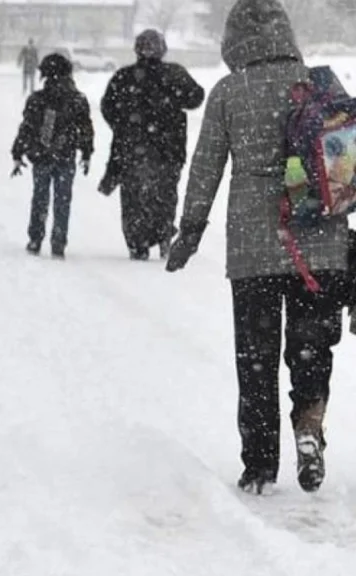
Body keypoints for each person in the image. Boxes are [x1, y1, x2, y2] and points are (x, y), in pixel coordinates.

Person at [165, 0, 348, 495]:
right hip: (321, 243)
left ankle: (260, 466)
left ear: (233, 40)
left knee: (257, 358)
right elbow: (345, 161)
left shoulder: (228, 91)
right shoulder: (319, 83)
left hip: (253, 248)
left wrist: (191, 229)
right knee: (311, 350)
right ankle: (309, 427)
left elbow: (206, 167)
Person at [101, 30, 205, 261]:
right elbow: (196, 97)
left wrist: (124, 126)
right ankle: (163, 233)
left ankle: (138, 242)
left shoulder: (124, 77)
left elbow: (108, 107)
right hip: (169, 149)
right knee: (165, 195)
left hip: (132, 149)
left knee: (133, 198)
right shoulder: (174, 74)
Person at [10, 53, 94, 259]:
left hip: (41, 156)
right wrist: (86, 152)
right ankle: (58, 241)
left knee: (40, 198)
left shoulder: (37, 99)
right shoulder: (78, 99)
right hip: (66, 156)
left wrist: (18, 152)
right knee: (62, 200)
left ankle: (35, 238)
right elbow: (86, 128)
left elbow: (27, 128)